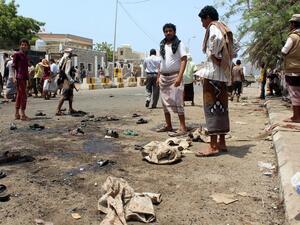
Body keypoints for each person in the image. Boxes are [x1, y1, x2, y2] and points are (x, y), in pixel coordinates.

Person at [196, 6, 233, 156]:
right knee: (222, 108)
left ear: (208, 17)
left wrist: (214, 55)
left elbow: (215, 41)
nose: (202, 24)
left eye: (202, 20)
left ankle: (212, 146)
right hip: (222, 75)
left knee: (211, 108)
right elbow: (232, 46)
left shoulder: (213, 28)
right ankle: (222, 143)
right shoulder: (224, 27)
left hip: (212, 74)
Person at [156, 23, 188, 136]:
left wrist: (179, 77)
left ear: (174, 32)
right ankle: (168, 125)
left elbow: (184, 60)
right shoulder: (162, 45)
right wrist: (158, 76)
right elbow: (161, 61)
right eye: (166, 31)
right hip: (164, 77)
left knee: (178, 102)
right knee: (165, 103)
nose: (168, 33)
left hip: (175, 77)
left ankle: (183, 127)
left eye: (170, 31)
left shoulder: (179, 44)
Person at [282, 14, 300, 122]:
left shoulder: (292, 37)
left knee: (295, 94)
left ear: (293, 24)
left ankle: (296, 117)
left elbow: (284, 51)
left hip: (293, 70)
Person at [12, 38, 30, 121]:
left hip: (24, 78)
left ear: (27, 47)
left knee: (19, 95)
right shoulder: (17, 54)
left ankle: (17, 113)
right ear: (20, 45)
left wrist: (28, 78)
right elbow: (13, 67)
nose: (23, 46)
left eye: (25, 45)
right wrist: (13, 77)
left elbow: (26, 68)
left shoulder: (25, 56)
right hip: (19, 77)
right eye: (22, 44)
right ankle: (23, 114)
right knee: (23, 96)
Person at [56, 48, 77, 115]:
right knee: (64, 95)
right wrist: (71, 80)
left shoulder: (62, 60)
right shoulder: (68, 61)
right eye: (71, 54)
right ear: (69, 54)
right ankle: (58, 110)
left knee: (70, 94)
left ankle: (71, 109)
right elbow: (67, 72)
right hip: (67, 80)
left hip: (65, 79)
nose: (71, 55)